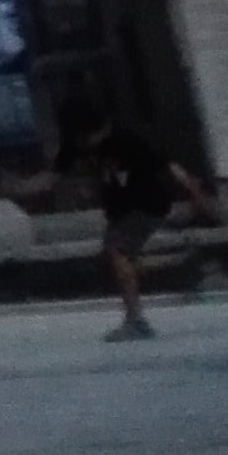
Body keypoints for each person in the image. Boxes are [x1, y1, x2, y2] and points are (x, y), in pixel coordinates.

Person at [83, 115, 214, 338]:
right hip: (129, 211)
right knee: (116, 257)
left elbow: (169, 167)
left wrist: (198, 195)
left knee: (118, 252)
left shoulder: (127, 142)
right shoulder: (100, 151)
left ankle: (136, 320)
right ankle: (178, 263)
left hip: (143, 207)